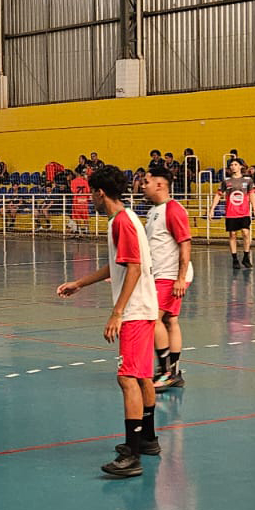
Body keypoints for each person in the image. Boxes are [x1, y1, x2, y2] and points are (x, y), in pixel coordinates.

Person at [56, 167, 159, 479]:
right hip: (144, 308)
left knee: (127, 378)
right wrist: (80, 283)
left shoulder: (122, 222)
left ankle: (132, 454)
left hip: (136, 311)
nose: (90, 199)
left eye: (91, 193)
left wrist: (117, 312)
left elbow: (135, 269)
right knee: (141, 377)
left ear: (100, 193)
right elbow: (118, 266)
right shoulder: (124, 220)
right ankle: (148, 439)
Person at [141, 171, 192, 391]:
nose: (142, 186)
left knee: (153, 318)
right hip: (159, 273)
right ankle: (174, 371)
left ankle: (166, 372)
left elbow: (185, 243)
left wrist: (180, 278)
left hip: (170, 275)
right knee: (170, 320)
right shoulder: (154, 211)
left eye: (146, 182)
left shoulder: (173, 209)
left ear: (160, 184)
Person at [216, 159, 255, 269]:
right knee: (232, 234)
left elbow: (252, 195)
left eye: (235, 164)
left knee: (245, 232)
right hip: (231, 212)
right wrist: (212, 208)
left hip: (244, 212)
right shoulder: (226, 181)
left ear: (240, 167)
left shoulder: (248, 180)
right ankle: (234, 259)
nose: (233, 167)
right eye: (231, 165)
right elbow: (218, 194)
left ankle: (246, 257)